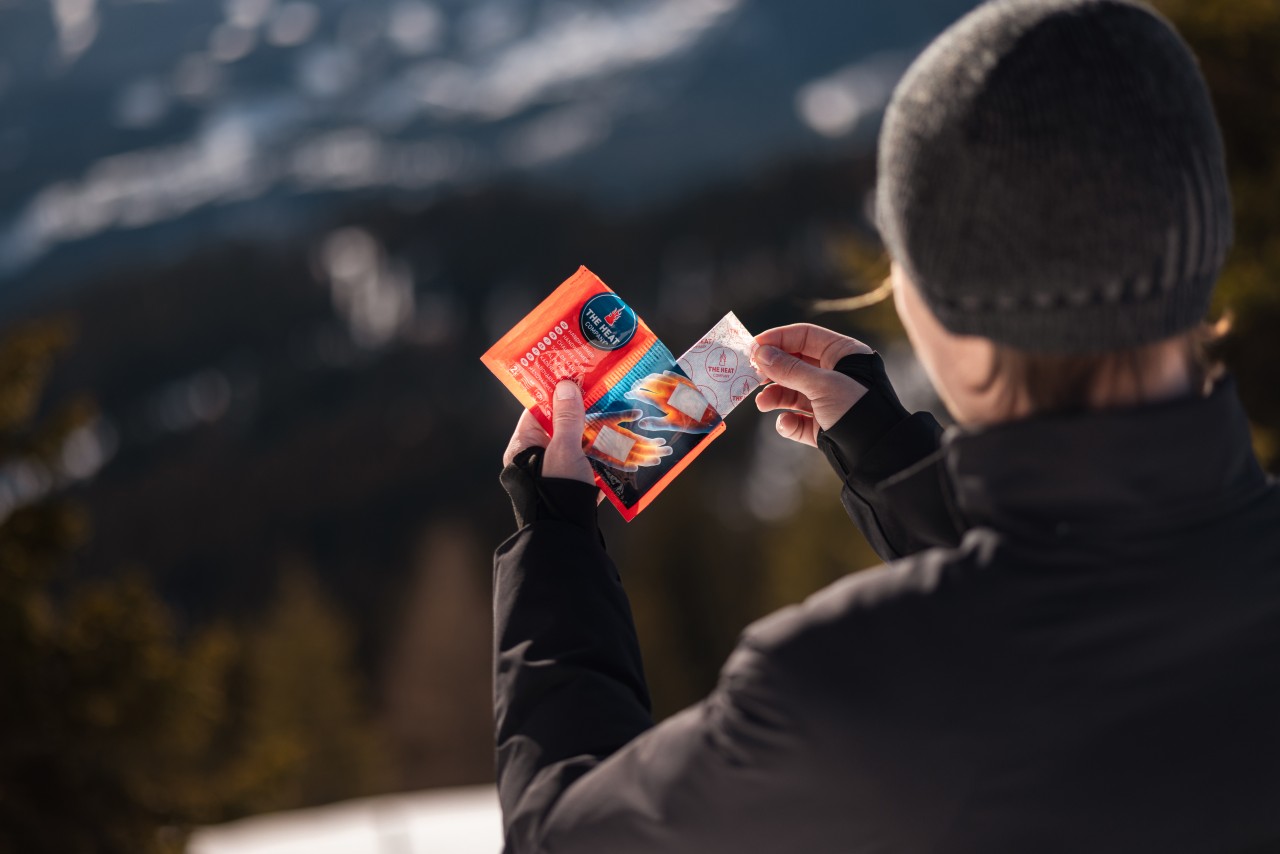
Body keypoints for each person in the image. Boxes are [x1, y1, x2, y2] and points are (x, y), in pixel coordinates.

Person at [493, 0, 1280, 850]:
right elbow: (1093, 598)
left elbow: (565, 838)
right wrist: (893, 460)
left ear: (946, 314)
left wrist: (557, 544)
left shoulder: (840, 686)